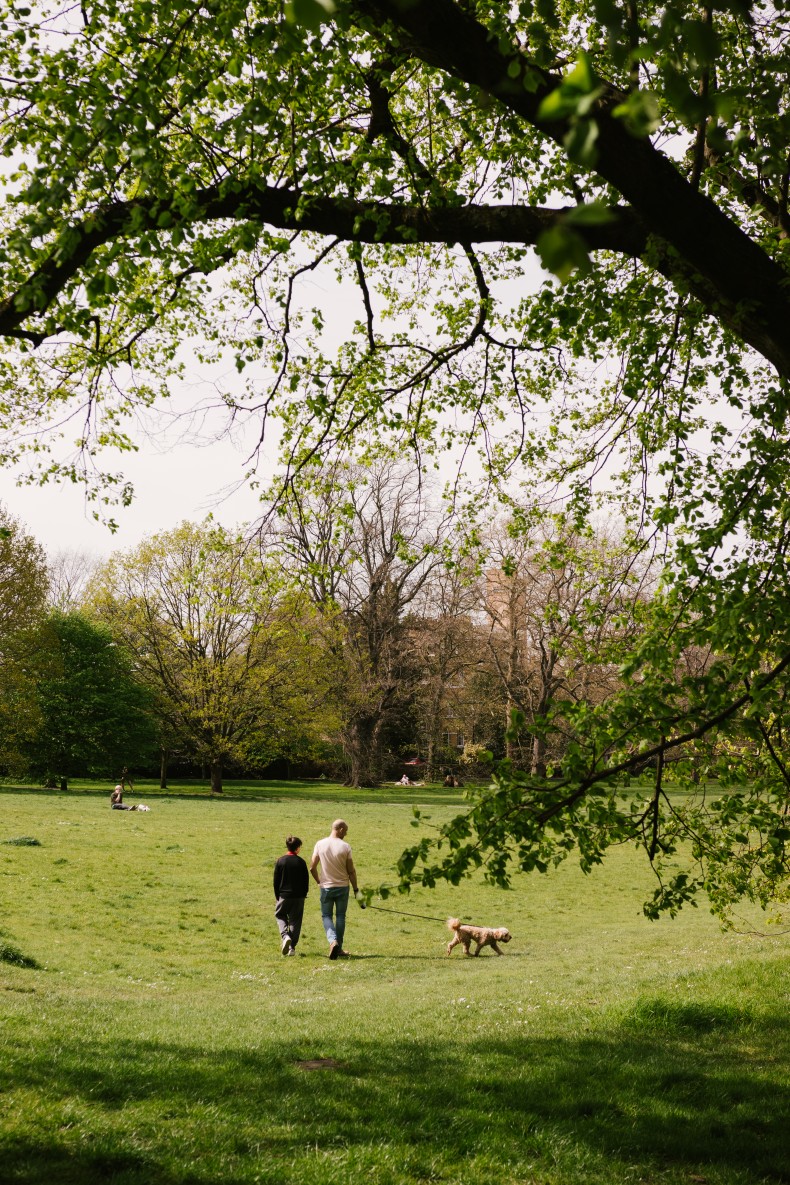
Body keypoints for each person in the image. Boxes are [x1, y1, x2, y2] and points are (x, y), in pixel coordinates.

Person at [310, 819, 360, 960]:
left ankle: (333, 941)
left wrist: (319, 881)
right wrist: (356, 889)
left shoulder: (320, 844)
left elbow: (312, 867)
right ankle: (338, 947)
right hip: (342, 887)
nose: (346, 834)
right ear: (341, 830)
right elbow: (351, 871)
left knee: (326, 915)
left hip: (326, 887)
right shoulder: (345, 847)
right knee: (340, 916)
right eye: (346, 832)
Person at [273, 835, 309, 956]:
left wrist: (277, 895)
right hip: (299, 897)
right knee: (295, 921)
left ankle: (285, 936)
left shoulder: (280, 861)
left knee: (280, 915)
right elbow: (305, 881)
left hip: (284, 895)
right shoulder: (301, 862)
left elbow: (276, 880)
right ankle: (292, 948)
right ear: (298, 848)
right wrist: (304, 894)